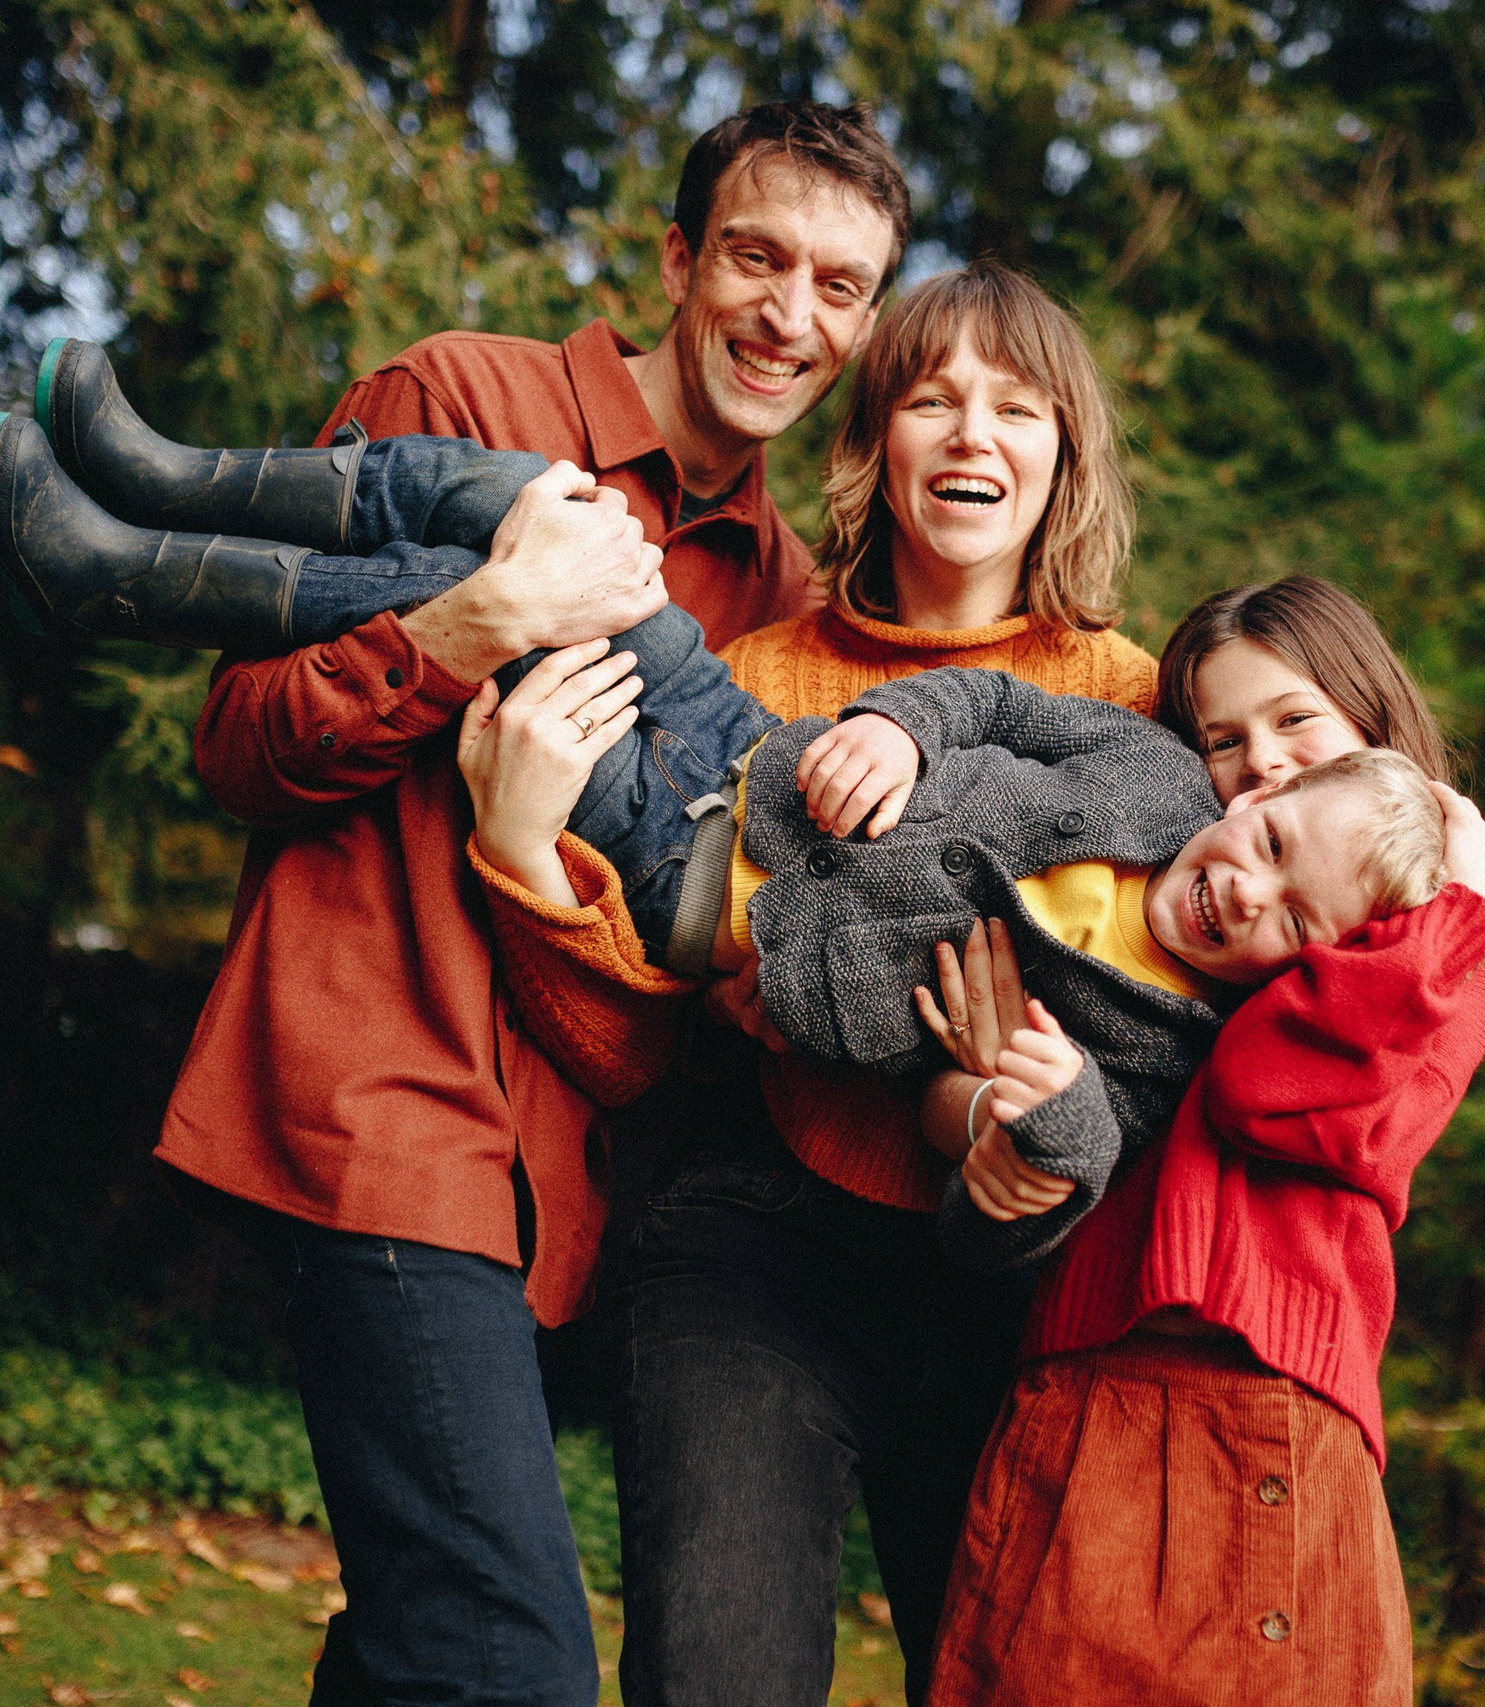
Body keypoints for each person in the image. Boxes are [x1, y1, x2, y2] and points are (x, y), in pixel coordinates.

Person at [125, 100, 912, 1707]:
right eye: (759, 258)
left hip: (554, 1181)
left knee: (423, 1637)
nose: (791, 316)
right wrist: (479, 622)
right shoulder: (464, 397)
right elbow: (242, 742)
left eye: (841, 286)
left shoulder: (777, 600)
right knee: (507, 1658)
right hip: (377, 1099)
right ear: (680, 258)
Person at [460, 260, 1156, 1704]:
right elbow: (631, 1038)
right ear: (874, 443)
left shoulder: (1134, 699)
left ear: (1064, 457)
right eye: (932, 399)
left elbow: (1273, 875)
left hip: (1016, 1286)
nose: (972, 435)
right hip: (755, 1252)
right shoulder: (758, 675)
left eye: (1015, 408)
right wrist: (527, 858)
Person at [920, 576, 1485, 1705]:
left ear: (1370, 716)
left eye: (1295, 719)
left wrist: (1465, 906)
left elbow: (1272, 1093)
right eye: (1223, 741)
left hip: (1249, 1395)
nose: (1263, 763)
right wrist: (985, 1106)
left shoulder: (1439, 966)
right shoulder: (1187, 892)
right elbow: (996, 1096)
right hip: (1075, 1366)